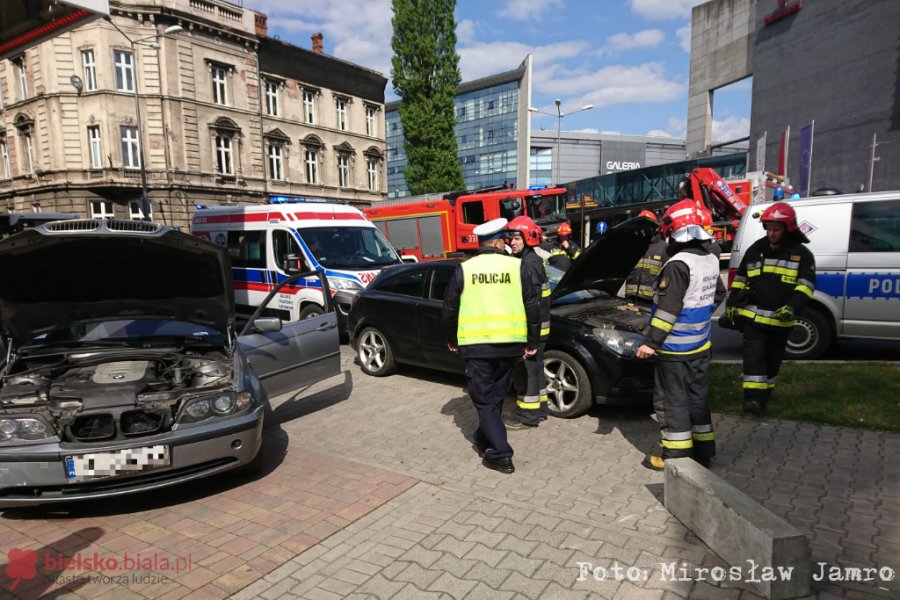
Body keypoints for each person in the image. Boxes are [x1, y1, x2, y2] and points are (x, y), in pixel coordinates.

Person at [442, 218, 541, 474]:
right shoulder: (516, 266)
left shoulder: (465, 268)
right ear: (497, 242)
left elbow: (449, 308)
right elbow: (532, 306)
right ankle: (485, 437)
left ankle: (501, 454)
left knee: (485, 400)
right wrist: (532, 342)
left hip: (477, 346)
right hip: (509, 346)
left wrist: (452, 338)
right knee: (495, 396)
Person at [635, 200, 726, 471]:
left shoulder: (677, 264)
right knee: (697, 399)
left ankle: (675, 457)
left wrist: (650, 343)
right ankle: (704, 451)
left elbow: (667, 311)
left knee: (672, 402)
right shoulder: (709, 258)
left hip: (675, 351)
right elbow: (718, 294)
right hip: (700, 346)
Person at [726, 202, 816, 414]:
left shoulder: (801, 254)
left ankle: (764, 397)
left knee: (772, 363)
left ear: (788, 229)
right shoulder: (756, 249)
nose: (772, 233)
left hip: (781, 321)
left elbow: (806, 285)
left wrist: (792, 307)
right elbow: (740, 278)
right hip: (754, 319)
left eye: (776, 229)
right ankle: (752, 401)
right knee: (753, 361)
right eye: (769, 228)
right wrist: (732, 303)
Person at [504, 216, 551, 430]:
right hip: (539, 328)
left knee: (527, 372)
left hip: (531, 330)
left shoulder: (528, 265)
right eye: (510, 238)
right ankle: (540, 410)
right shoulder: (533, 260)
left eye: (516, 238)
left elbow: (529, 304)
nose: (511, 242)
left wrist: (528, 338)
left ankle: (527, 415)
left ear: (528, 238)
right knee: (536, 369)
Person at [624, 210, 667, 301]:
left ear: (656, 228)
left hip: (651, 301)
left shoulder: (664, 248)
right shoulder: (632, 245)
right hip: (630, 299)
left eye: (648, 225)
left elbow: (667, 276)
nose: (644, 228)